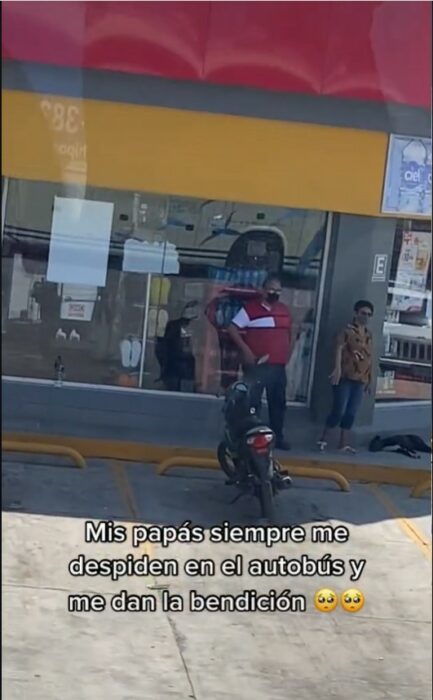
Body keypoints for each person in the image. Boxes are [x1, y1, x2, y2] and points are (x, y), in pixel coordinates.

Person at [227, 275, 292, 450]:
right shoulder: (251, 309)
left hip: (278, 366)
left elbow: (290, 333)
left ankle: (277, 436)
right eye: (271, 289)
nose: (275, 293)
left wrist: (288, 353)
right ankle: (251, 437)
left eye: (278, 291)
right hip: (258, 364)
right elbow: (232, 328)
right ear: (263, 290)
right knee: (252, 402)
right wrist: (246, 350)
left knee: (278, 403)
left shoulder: (284, 310)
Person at [318, 299, 374, 453]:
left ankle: (343, 443)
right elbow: (338, 349)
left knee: (351, 412)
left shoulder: (368, 334)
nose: (366, 317)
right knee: (339, 410)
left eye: (369, 314)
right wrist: (337, 369)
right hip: (345, 376)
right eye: (363, 313)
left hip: (361, 378)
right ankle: (323, 439)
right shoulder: (346, 331)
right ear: (355, 313)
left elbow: (369, 358)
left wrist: (370, 379)